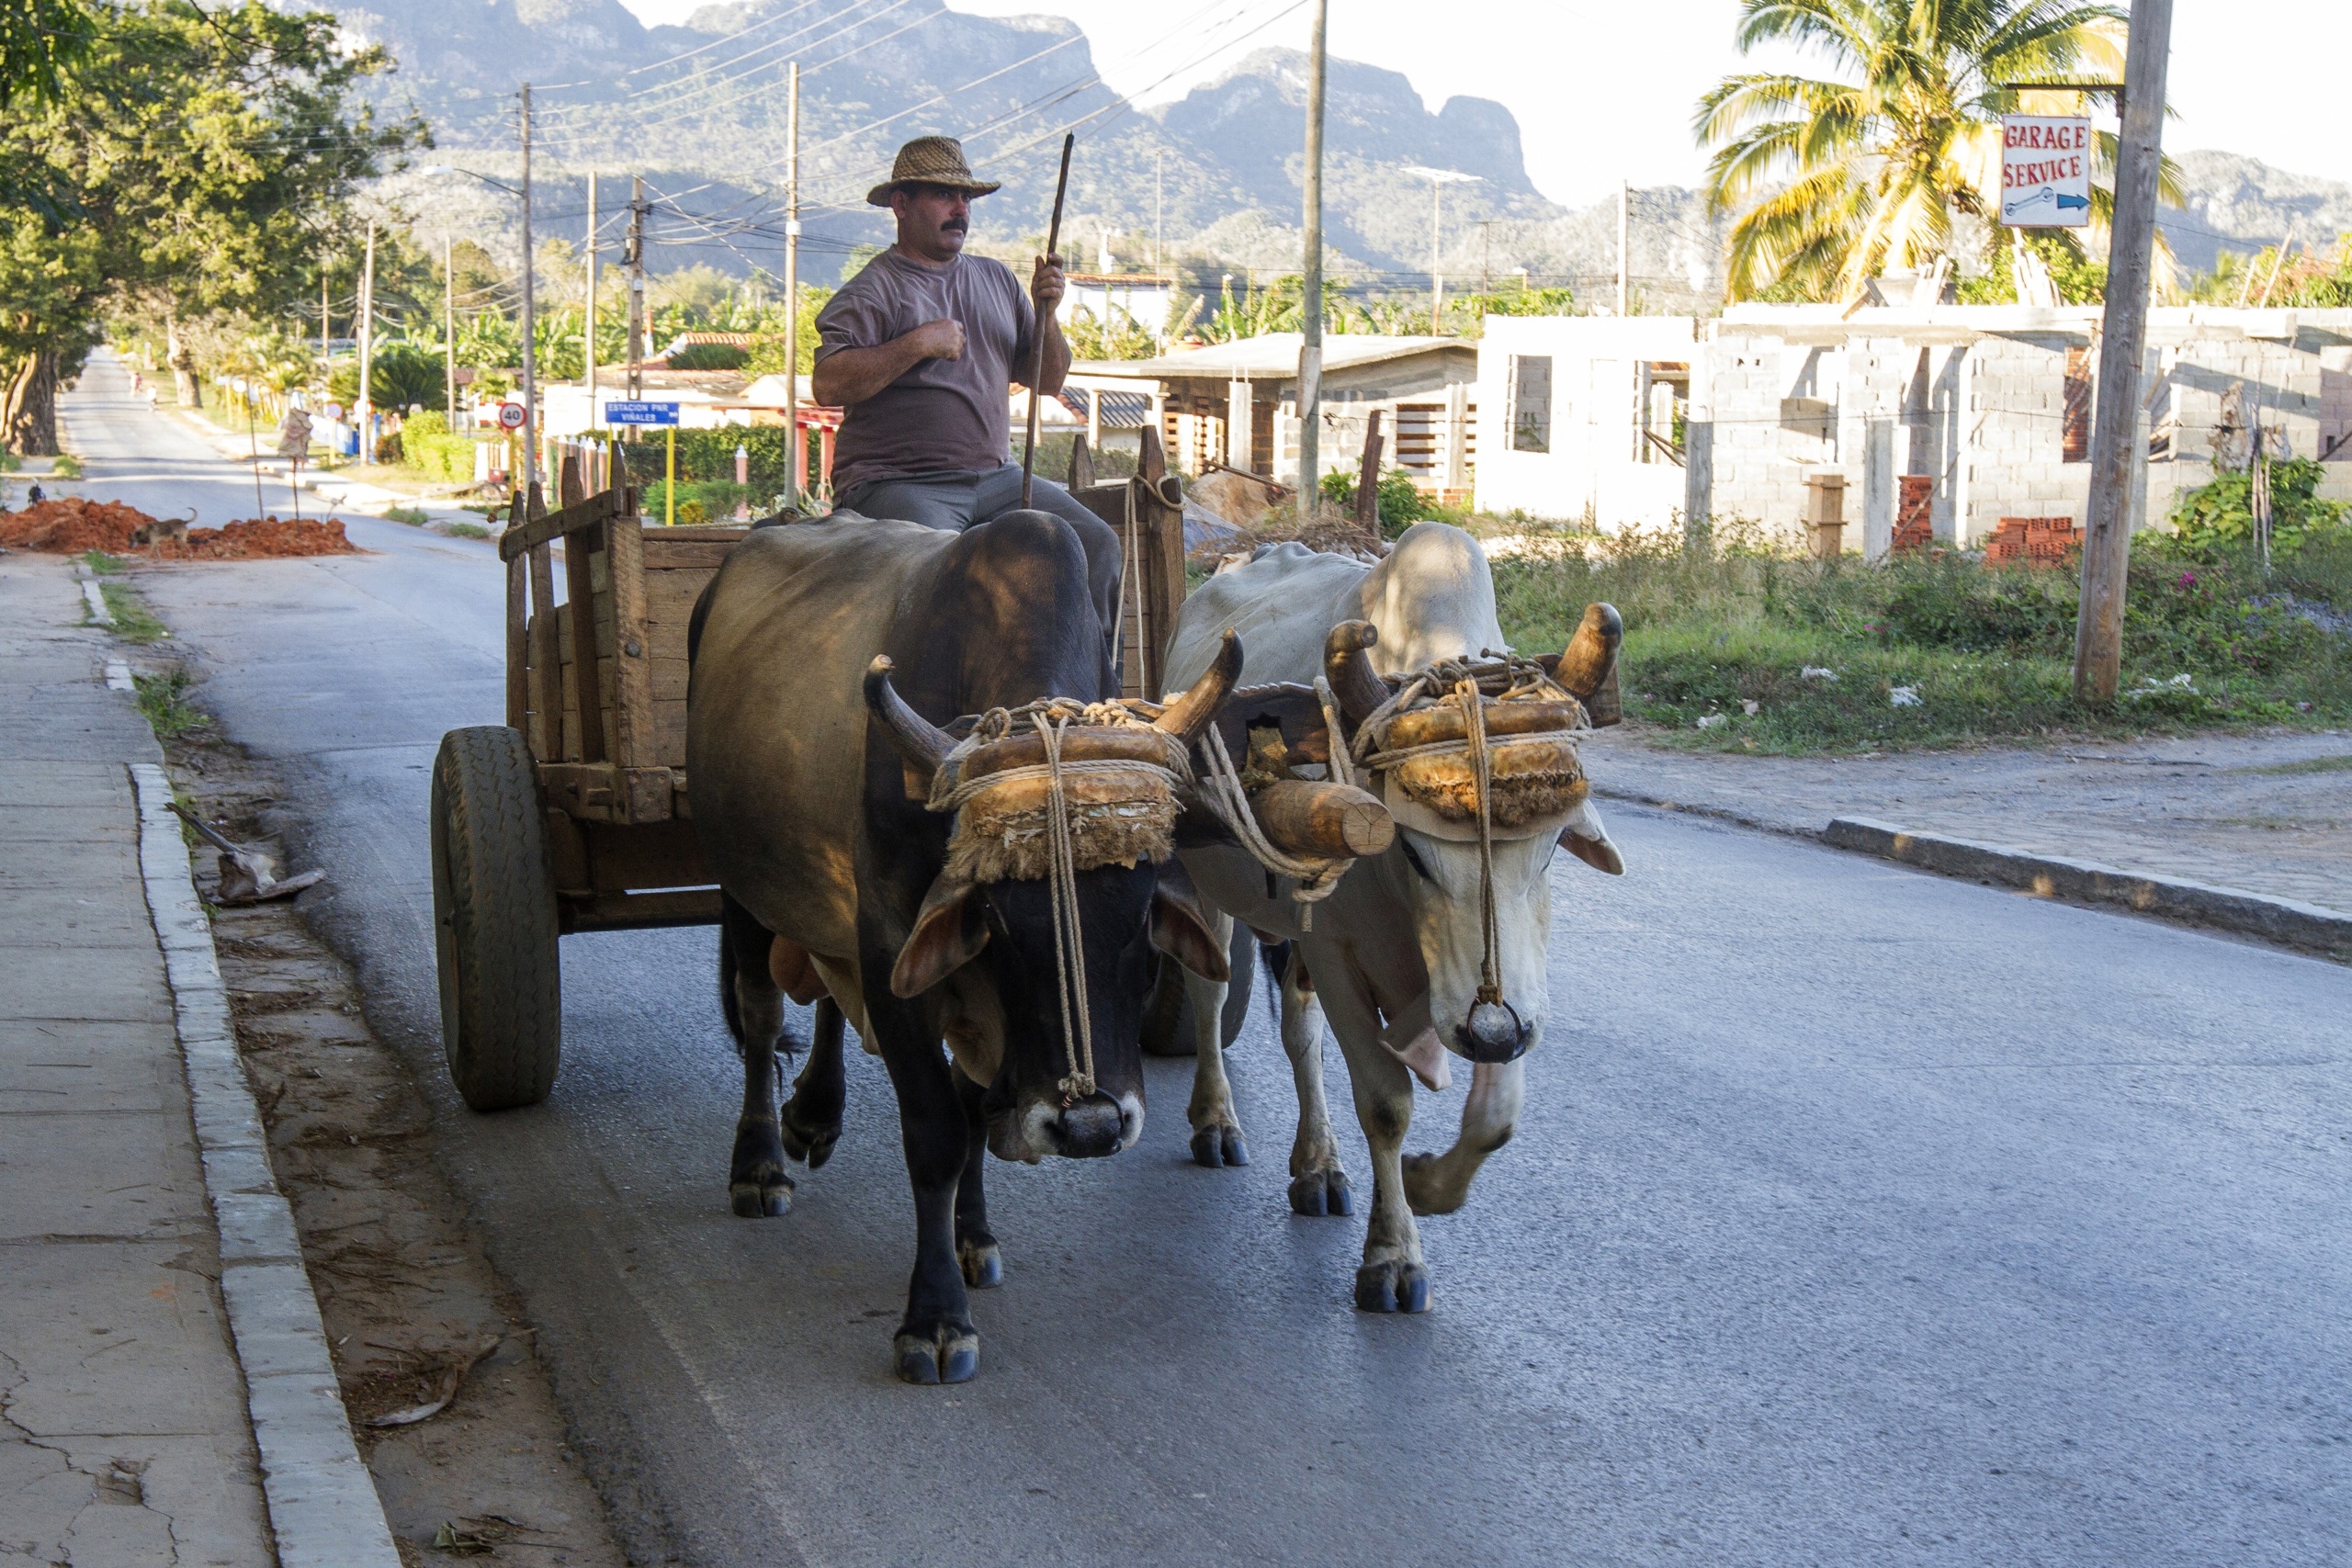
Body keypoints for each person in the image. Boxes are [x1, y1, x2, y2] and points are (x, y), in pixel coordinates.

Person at [812, 136, 1121, 631]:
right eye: (943, 195)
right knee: (941, 566)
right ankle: (917, 704)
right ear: (901, 204)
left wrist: (1048, 314)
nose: (960, 209)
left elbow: (1049, 379)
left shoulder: (996, 280)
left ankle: (1092, 698)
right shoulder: (874, 290)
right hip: (899, 483)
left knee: (1097, 544)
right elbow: (828, 384)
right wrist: (916, 344)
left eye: (967, 198)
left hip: (997, 478)